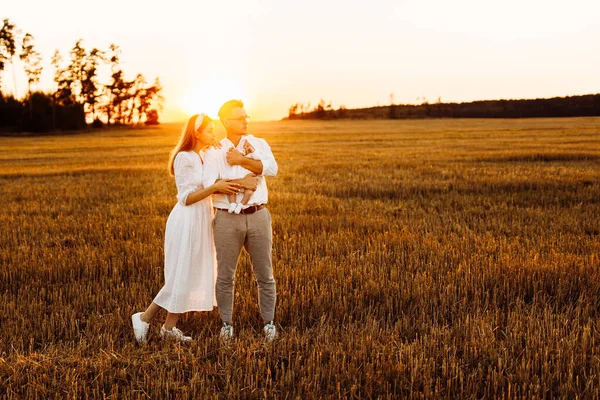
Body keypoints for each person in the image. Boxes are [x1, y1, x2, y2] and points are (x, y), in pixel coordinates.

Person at [131, 114, 241, 343]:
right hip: (186, 220)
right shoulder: (184, 157)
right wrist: (214, 188)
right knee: (181, 274)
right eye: (210, 130)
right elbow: (186, 198)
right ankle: (143, 318)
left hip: (201, 219)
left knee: (189, 273)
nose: (214, 134)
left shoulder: (203, 156)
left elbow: (213, 182)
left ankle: (169, 329)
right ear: (197, 133)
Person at [203, 99, 279, 341]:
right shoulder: (213, 150)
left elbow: (272, 168)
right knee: (225, 275)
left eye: (247, 116)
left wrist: (241, 161)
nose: (246, 120)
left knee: (265, 274)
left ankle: (269, 323)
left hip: (258, 215)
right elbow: (209, 185)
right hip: (226, 219)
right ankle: (226, 324)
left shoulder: (259, 143)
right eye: (240, 117)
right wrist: (243, 183)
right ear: (226, 121)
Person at [223, 138, 263, 214]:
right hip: (237, 174)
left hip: (247, 174)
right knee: (232, 190)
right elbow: (231, 155)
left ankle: (241, 205)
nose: (246, 147)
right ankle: (232, 204)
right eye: (244, 145)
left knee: (249, 192)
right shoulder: (240, 151)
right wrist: (232, 150)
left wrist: (253, 150)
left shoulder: (252, 155)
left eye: (247, 145)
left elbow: (259, 159)